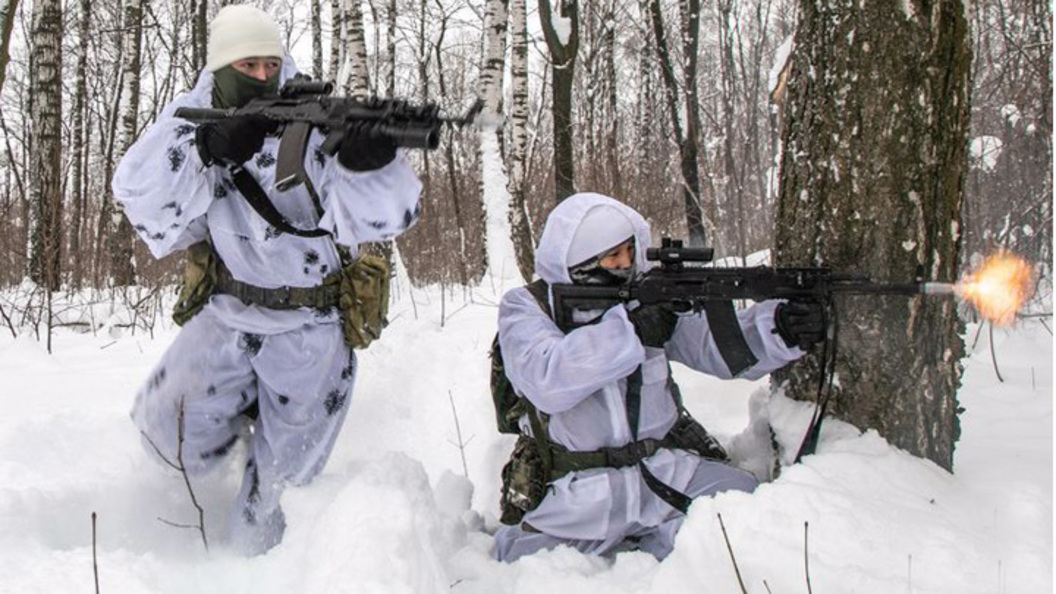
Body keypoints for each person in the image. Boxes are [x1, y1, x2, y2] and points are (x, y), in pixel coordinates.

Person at [112, 5, 422, 555]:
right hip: (226, 316)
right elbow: (143, 202)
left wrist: (367, 163)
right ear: (221, 68)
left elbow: (386, 218)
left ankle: (249, 576)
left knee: (276, 496)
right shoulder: (191, 118)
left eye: (269, 64)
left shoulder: (312, 117)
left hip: (312, 329)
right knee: (165, 431)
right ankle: (170, 529)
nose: (261, 75)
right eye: (247, 65)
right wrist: (206, 150)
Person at [491, 193, 824, 562]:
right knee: (521, 570)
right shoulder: (526, 308)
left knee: (749, 513)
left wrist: (781, 330)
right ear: (579, 262)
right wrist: (630, 331)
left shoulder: (644, 297)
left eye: (629, 254)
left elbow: (715, 348)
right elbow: (547, 379)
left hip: (661, 474)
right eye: (612, 257)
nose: (624, 265)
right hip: (574, 495)